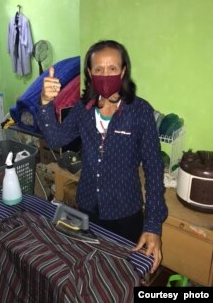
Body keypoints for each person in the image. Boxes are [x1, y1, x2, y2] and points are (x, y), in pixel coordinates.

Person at [37, 39, 168, 274]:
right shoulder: (82, 109)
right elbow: (56, 139)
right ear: (89, 72)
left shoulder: (140, 112)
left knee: (121, 275)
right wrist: (45, 103)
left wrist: (153, 225)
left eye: (112, 69)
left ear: (123, 71)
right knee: (90, 269)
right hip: (86, 206)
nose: (105, 74)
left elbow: (154, 167)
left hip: (126, 213)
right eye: (98, 69)